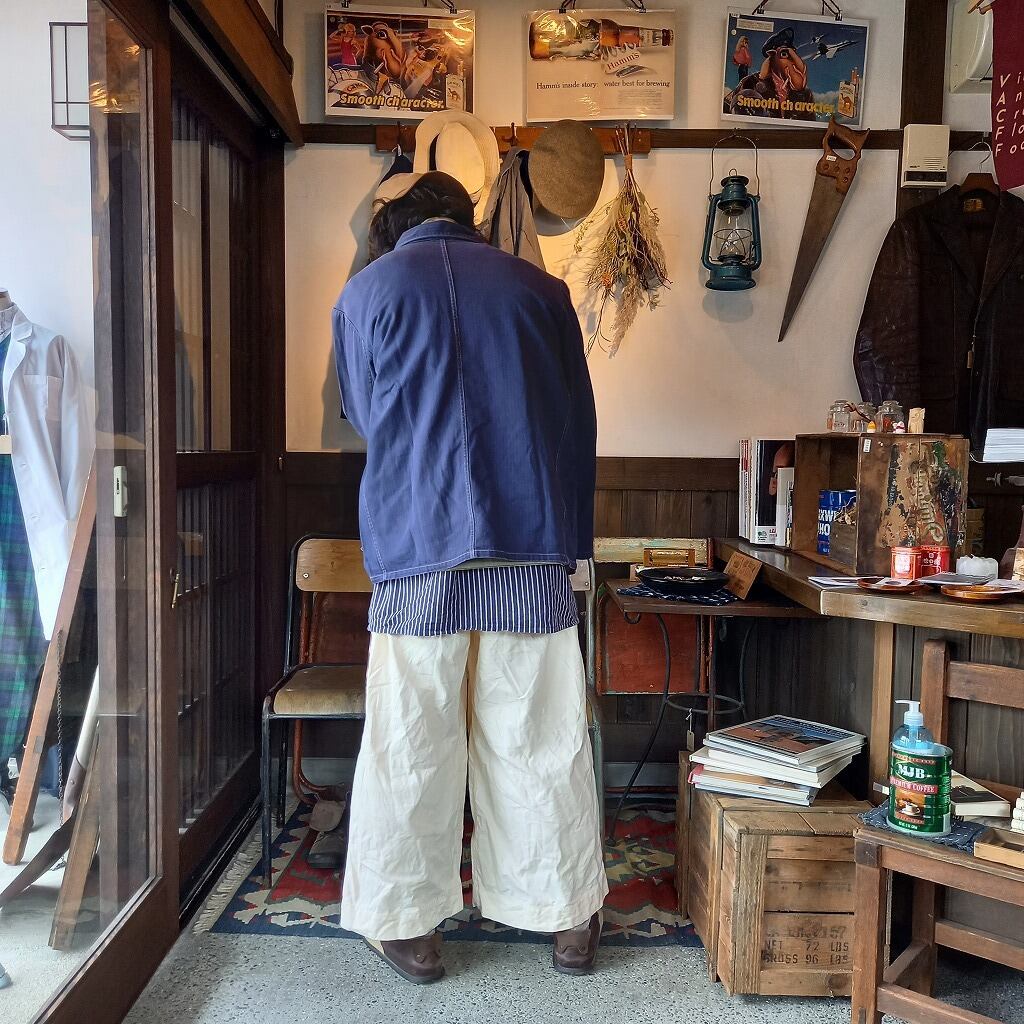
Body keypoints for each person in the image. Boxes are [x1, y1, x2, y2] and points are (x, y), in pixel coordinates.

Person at [332, 171, 606, 984]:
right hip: (528, 536)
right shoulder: (542, 291)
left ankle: (407, 926)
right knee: (539, 732)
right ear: (472, 219)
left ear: (401, 224)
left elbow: (362, 413)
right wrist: (571, 539)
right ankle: (566, 914)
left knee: (410, 738)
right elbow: (575, 420)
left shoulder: (366, 293)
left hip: (419, 536)